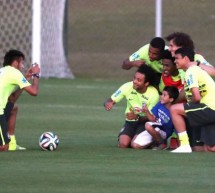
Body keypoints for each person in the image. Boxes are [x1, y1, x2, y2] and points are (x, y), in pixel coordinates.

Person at [170, 47, 215, 153]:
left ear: (185, 58)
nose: (175, 61)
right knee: (208, 149)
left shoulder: (191, 71)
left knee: (174, 109)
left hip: (211, 108)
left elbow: (197, 97)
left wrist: (186, 108)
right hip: (210, 110)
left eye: (177, 58)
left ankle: (184, 145)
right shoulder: (195, 70)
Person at [104, 65, 159, 148]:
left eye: (139, 80)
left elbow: (152, 118)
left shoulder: (154, 94)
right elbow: (110, 100)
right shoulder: (128, 86)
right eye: (134, 78)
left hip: (145, 123)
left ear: (146, 83)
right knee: (123, 144)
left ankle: (153, 140)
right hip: (130, 122)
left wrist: (137, 117)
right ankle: (129, 135)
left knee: (135, 145)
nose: (135, 81)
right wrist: (108, 103)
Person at [0, 49, 40, 151]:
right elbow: (34, 92)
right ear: (15, 63)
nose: (23, 66)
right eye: (21, 62)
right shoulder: (15, 73)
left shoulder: (4, 71)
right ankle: (8, 144)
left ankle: (12, 144)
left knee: (13, 108)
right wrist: (36, 75)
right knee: (3, 147)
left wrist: (25, 80)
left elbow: (12, 99)